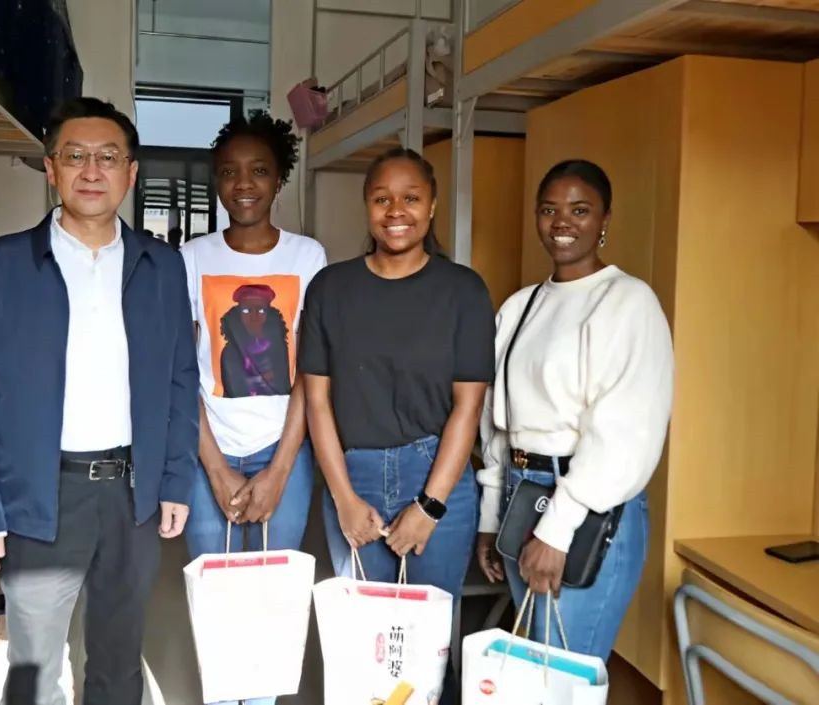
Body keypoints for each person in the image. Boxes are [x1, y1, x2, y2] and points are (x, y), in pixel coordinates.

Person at [0, 96, 198, 705]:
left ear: (130, 173)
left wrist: (174, 481)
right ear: (51, 168)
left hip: (131, 497)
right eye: (75, 156)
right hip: (37, 493)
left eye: (107, 157)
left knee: (117, 661)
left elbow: (180, 380)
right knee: (34, 668)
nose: (92, 171)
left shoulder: (161, 267)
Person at [298, 147, 495, 702]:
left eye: (411, 198)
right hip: (352, 476)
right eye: (382, 199)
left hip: (437, 477)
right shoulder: (331, 288)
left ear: (431, 206)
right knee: (367, 651)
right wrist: (343, 499)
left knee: (427, 654)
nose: (396, 211)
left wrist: (429, 507)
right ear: (366, 206)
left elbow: (467, 408)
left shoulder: (463, 290)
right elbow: (317, 401)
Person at [475, 159, 674, 661]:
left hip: (584, 508)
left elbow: (624, 435)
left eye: (579, 210)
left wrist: (558, 529)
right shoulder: (521, 305)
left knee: (563, 671)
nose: (561, 222)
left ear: (605, 219)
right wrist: (491, 515)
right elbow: (498, 421)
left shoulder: (627, 302)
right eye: (549, 210)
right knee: (534, 664)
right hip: (521, 496)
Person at [180, 112, 326, 705]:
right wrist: (215, 467)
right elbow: (179, 370)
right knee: (215, 599)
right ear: (216, 180)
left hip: (283, 451)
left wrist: (280, 469)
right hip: (206, 450)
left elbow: (311, 370)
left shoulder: (307, 256)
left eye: (259, 171)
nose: (244, 184)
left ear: (279, 179)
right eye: (230, 172)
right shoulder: (191, 257)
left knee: (272, 600)